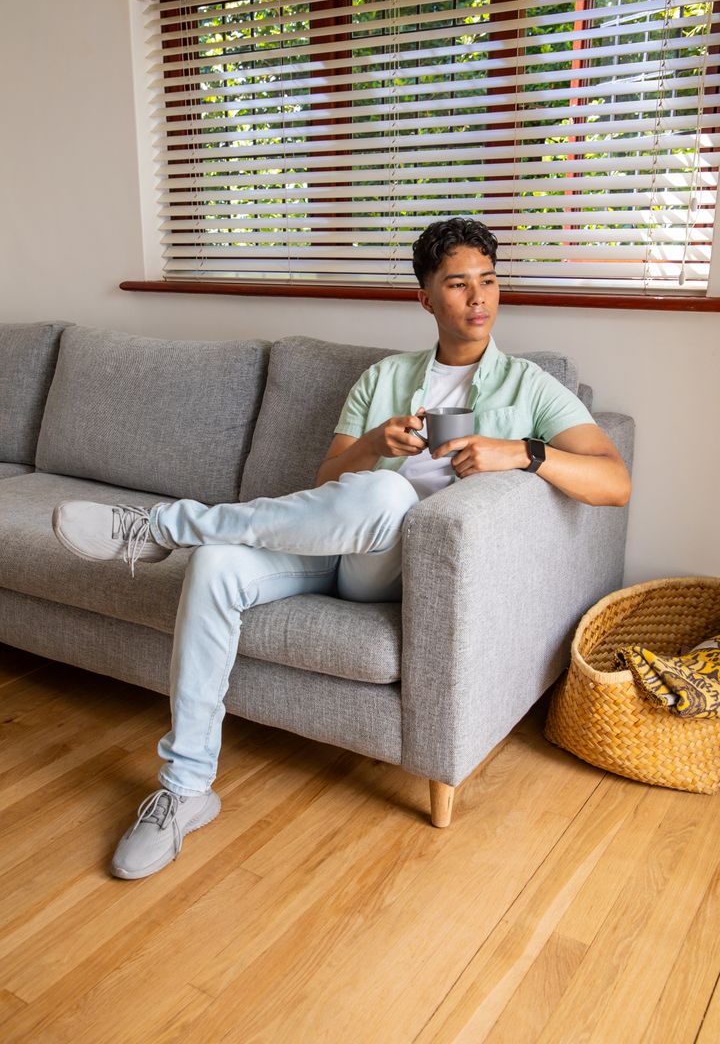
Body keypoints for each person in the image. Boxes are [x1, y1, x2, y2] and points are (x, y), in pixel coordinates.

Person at [52, 218, 631, 879]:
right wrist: (369, 447)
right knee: (219, 565)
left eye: (490, 281)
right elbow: (326, 483)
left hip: (400, 567)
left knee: (390, 500)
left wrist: (522, 453)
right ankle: (186, 790)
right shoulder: (383, 378)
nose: (479, 299)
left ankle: (166, 526)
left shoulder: (526, 386)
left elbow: (613, 480)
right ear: (425, 298)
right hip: (328, 542)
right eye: (458, 284)